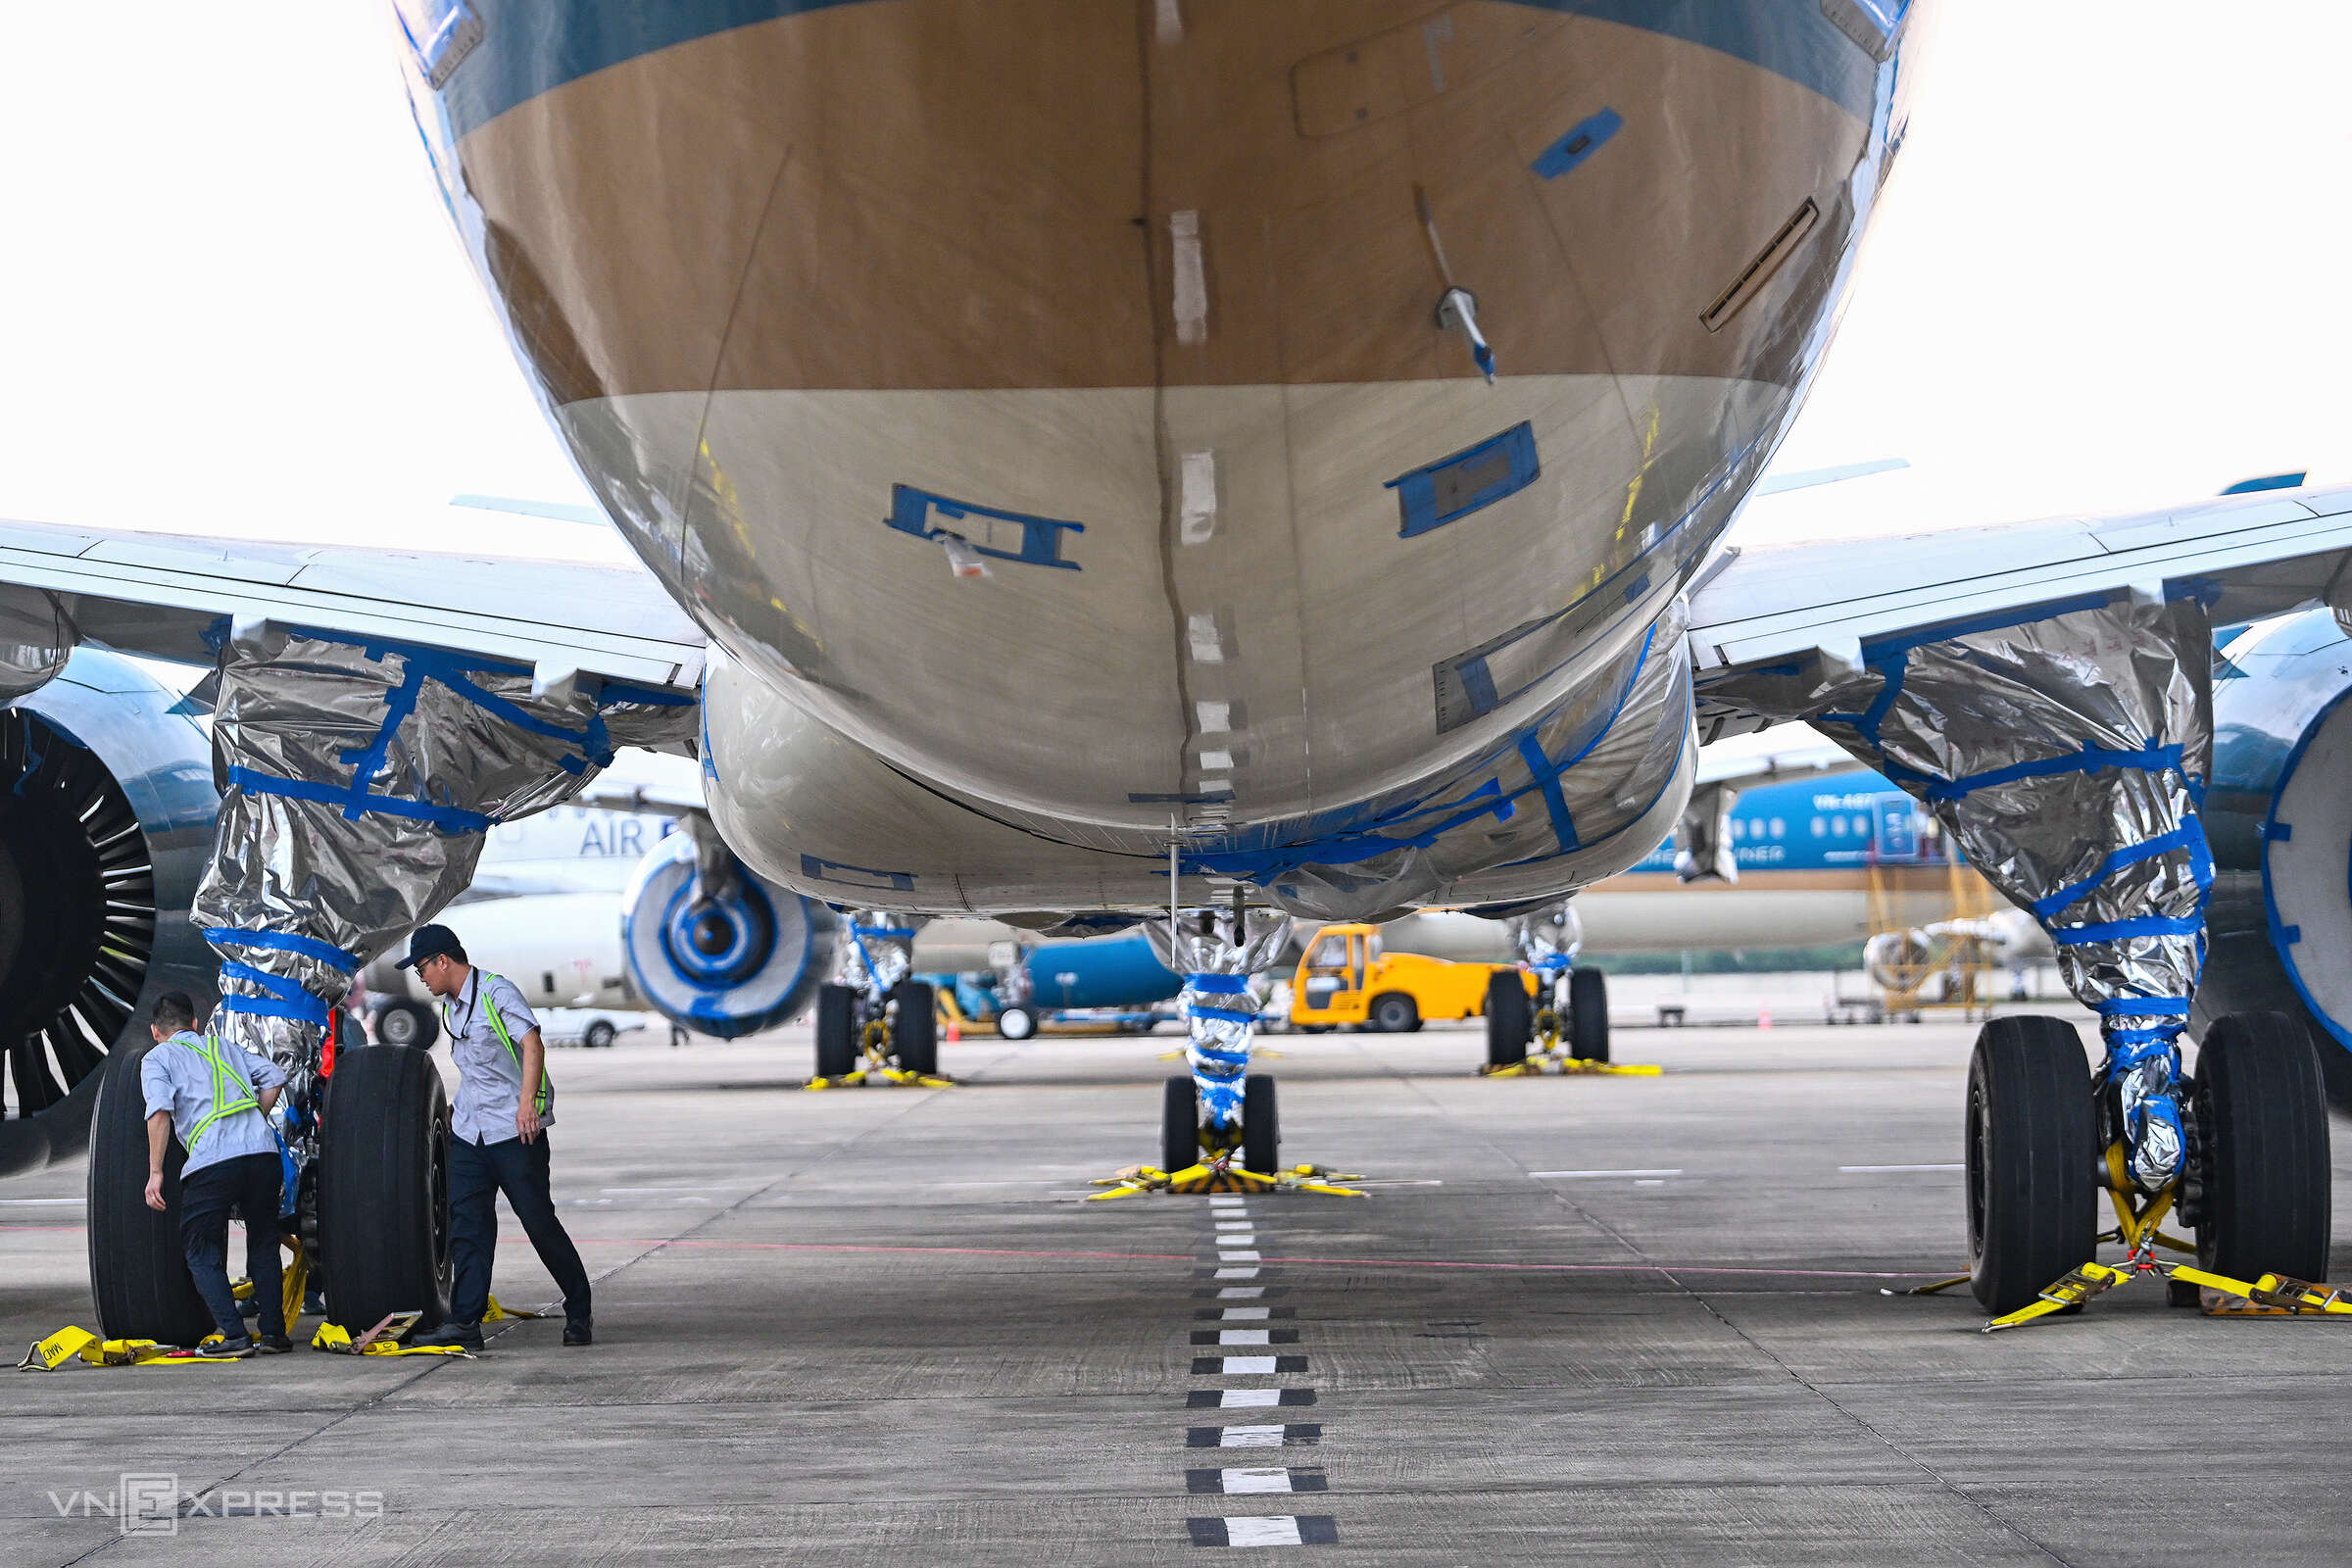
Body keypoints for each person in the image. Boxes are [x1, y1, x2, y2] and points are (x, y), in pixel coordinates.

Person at [398, 924, 593, 1350]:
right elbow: (476, 1068)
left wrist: (527, 1103)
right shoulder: (450, 1010)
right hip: (471, 1133)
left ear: (443, 960)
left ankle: (580, 1307)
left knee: (539, 1223)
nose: (421, 977)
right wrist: (458, 1107)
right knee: (467, 1226)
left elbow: (532, 1044)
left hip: (514, 1130)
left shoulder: (495, 992)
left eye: (421, 968)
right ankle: (465, 1321)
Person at [140, 991, 291, 1357]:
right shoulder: (222, 1046)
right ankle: (273, 1335)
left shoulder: (157, 1057)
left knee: (200, 1248)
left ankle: (235, 1336)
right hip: (261, 1153)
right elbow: (275, 1076)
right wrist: (255, 1116)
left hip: (212, 1160)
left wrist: (155, 1172)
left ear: (155, 1031)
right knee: (263, 1243)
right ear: (194, 1024)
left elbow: (159, 1111)